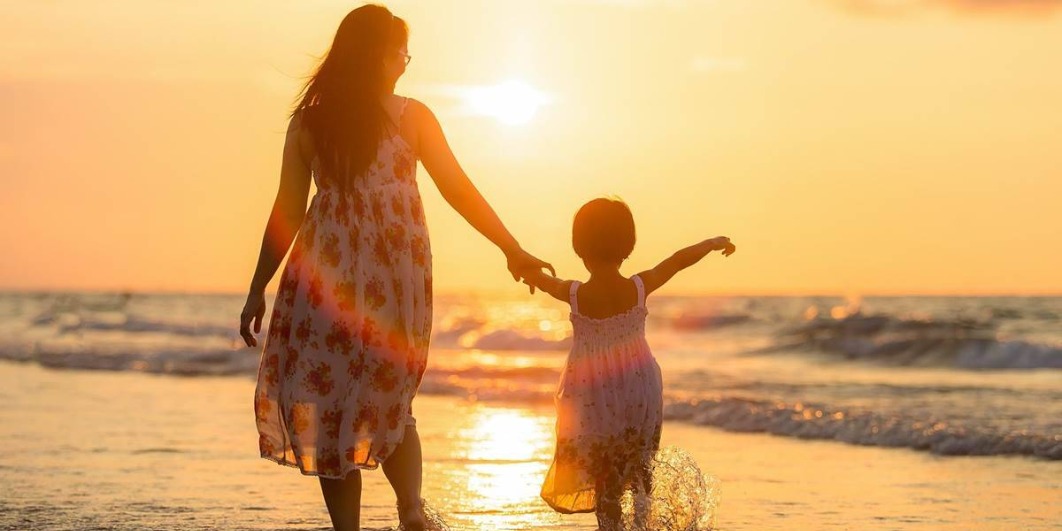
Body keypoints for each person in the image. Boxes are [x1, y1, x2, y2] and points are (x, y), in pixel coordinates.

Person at [237, 5, 552, 530]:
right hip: (392, 274)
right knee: (389, 394)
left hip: (326, 275)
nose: (406, 61)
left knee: (332, 402)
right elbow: (457, 188)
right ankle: (411, 511)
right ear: (379, 55)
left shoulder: (312, 122)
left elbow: (288, 212)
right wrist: (510, 247)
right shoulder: (410, 116)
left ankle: (368, 524)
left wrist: (257, 289)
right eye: (401, 50)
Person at [521, 197, 735, 530]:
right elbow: (677, 261)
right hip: (639, 386)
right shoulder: (638, 286)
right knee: (640, 465)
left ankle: (611, 527)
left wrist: (526, 270)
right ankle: (643, 521)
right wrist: (711, 243)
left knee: (605, 473)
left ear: (579, 247)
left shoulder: (575, 293)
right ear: (628, 246)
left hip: (594, 395)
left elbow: (540, 280)